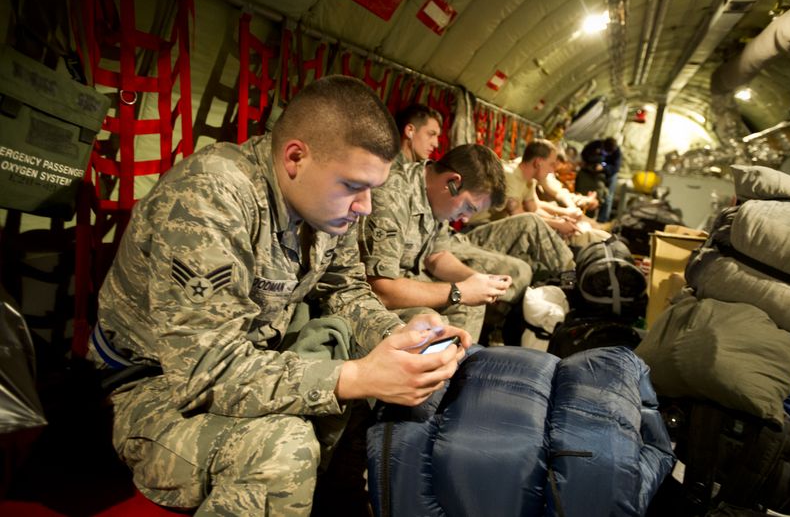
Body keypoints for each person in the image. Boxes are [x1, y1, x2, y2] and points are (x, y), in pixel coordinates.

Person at [87, 75, 471, 516]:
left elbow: (345, 289)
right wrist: (356, 376)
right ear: (295, 158)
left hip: (250, 356)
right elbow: (204, 371)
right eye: (353, 186)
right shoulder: (211, 197)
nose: (365, 205)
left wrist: (402, 336)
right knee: (282, 452)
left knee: (391, 356)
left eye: (372, 189)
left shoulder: (329, 206)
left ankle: (335, 501)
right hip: (154, 385)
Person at [359, 144, 530, 341]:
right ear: (452, 182)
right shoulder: (392, 197)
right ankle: (449, 366)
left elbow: (436, 256)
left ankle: (458, 365)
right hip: (369, 296)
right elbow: (381, 289)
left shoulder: (436, 196)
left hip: (405, 280)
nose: (465, 219)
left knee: (471, 306)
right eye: (468, 207)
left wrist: (479, 282)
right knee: (437, 325)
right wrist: (459, 291)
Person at [471, 140, 609, 249]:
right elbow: (521, 218)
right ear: (538, 162)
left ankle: (607, 241)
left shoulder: (529, 178)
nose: (552, 170)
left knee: (572, 235)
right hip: (479, 229)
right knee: (559, 240)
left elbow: (534, 208)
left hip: (500, 228)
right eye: (551, 164)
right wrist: (557, 224)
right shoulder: (510, 175)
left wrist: (562, 219)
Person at [598, 136, 622, 222]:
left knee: (608, 197)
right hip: (600, 174)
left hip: (611, 174)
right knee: (599, 194)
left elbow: (616, 168)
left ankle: (603, 219)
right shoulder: (600, 146)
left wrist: (604, 167)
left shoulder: (617, 152)